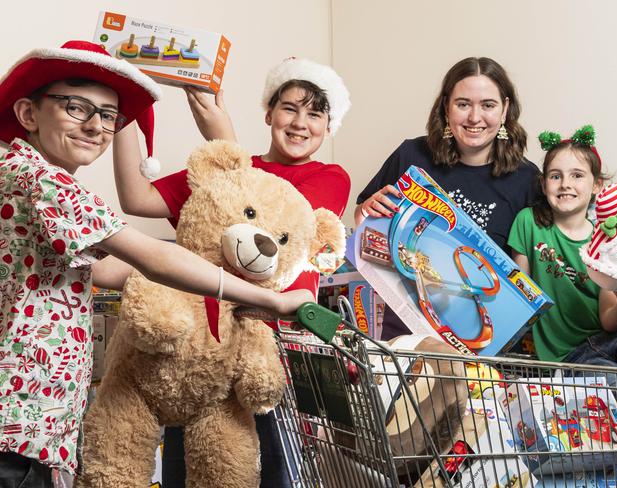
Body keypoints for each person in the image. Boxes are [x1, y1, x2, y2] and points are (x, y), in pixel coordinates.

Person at [0, 41, 312, 487]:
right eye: (75, 107)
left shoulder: (22, 176)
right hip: (19, 420)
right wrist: (269, 298)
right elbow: (154, 257)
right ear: (29, 114)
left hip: (30, 422)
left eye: (108, 116)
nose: (95, 125)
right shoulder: (43, 182)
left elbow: (103, 270)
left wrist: (206, 277)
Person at [112, 58, 351, 487]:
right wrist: (126, 107)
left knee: (269, 467)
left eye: (315, 114)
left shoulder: (329, 177)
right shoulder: (225, 170)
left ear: (328, 127)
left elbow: (267, 222)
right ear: (269, 113)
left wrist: (222, 136)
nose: (300, 123)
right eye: (290, 108)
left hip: (271, 350)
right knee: (189, 470)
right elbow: (136, 197)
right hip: (204, 343)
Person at [355, 57, 539, 339]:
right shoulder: (411, 155)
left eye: (488, 105)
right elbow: (364, 223)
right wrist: (366, 212)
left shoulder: (526, 179)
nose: (474, 117)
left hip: (479, 339)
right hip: (407, 329)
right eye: (463, 104)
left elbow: (532, 270)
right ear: (446, 107)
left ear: (504, 110)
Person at [507, 126, 617, 433]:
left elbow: (609, 321)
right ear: (544, 184)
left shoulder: (606, 242)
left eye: (577, 175)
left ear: (597, 185)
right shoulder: (529, 223)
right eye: (555, 176)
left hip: (616, 333)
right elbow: (521, 291)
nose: (565, 184)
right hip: (572, 352)